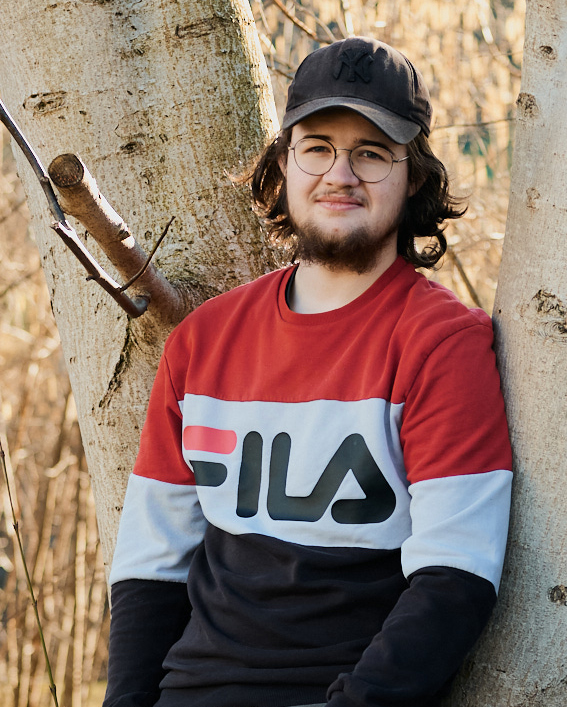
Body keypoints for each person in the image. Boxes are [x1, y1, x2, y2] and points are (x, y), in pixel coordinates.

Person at [103, 37, 512, 707]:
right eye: (317, 147)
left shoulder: (444, 343)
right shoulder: (203, 341)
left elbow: (455, 577)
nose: (340, 174)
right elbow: (152, 565)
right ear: (284, 164)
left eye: (372, 153)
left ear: (413, 178)